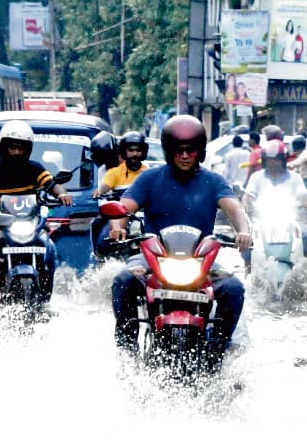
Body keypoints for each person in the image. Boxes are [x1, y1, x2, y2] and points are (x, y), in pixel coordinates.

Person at [109, 114, 252, 357]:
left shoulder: (214, 181)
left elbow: (235, 209)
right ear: (168, 152)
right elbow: (123, 207)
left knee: (234, 288)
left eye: (191, 150)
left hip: (200, 261)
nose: (185, 156)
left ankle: (216, 351)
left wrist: (244, 231)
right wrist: (117, 226)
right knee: (123, 280)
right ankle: (127, 349)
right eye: (179, 150)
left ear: (201, 151)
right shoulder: (149, 179)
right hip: (154, 258)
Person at [0, 120, 74, 206]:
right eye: (12, 147)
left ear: (28, 150)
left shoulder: (35, 169)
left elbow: (52, 185)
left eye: (21, 148)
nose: (17, 152)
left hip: (29, 221)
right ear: (3, 147)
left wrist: (62, 194)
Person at [242, 138, 307, 259]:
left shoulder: (295, 178)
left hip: (291, 219)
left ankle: (305, 266)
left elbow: (302, 197)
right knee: (245, 239)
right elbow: (247, 197)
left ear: (283, 160)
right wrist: (245, 205)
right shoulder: (256, 177)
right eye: (270, 160)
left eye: (277, 159)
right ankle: (249, 268)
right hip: (262, 220)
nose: (273, 163)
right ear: (265, 161)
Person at [97, 131, 147, 196]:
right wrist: (99, 192)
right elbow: (104, 187)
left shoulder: (148, 173)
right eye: (130, 150)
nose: (135, 154)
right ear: (123, 152)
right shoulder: (114, 173)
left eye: (138, 150)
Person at [220, 125, 252, 192]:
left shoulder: (229, 155)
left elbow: (227, 172)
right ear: (242, 144)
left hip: (232, 185)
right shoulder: (248, 154)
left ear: (233, 144)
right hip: (245, 184)